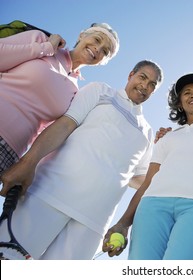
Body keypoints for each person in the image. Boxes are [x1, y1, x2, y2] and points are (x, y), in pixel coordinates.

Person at [0, 60, 163, 259]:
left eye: (152, 85)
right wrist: (27, 163)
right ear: (131, 75)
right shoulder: (101, 91)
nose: (145, 86)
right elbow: (65, 125)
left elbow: (139, 179)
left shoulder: (147, 132)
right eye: (143, 77)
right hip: (48, 193)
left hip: (94, 222)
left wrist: (168, 154)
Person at [102, 73, 193, 260]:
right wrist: (123, 223)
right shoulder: (167, 137)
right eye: (186, 93)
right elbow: (148, 182)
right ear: (180, 104)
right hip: (152, 206)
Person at [0, 22, 119, 174]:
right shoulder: (42, 40)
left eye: (105, 51)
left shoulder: (75, 92)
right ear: (82, 36)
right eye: (97, 40)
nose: (98, 48)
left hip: (9, 153)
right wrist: (46, 48)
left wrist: (28, 164)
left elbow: (47, 131)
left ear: (102, 62)